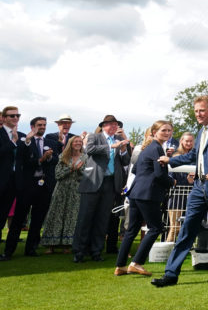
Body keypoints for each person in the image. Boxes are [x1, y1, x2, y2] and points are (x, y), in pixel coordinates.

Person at [152, 95, 208, 287]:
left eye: (202, 110)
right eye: (196, 111)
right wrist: (171, 161)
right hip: (199, 188)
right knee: (187, 229)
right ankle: (171, 274)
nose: (198, 114)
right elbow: (194, 155)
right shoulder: (201, 132)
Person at [115, 120, 174, 277]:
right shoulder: (157, 148)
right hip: (148, 194)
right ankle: (136, 263)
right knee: (156, 228)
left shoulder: (147, 148)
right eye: (163, 130)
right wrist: (171, 181)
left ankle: (120, 266)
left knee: (132, 230)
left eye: (169, 130)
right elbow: (159, 174)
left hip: (136, 193)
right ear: (154, 132)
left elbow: (136, 170)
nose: (167, 133)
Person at [72, 115, 131, 263]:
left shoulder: (119, 140)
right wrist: (111, 147)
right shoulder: (95, 137)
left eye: (115, 124)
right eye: (110, 124)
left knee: (102, 219)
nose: (113, 127)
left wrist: (123, 150)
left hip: (110, 183)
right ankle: (79, 251)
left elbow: (125, 161)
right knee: (85, 218)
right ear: (104, 126)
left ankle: (96, 251)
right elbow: (89, 150)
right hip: (93, 181)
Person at [1, 116, 59, 259]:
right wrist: (40, 159)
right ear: (32, 127)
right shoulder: (24, 141)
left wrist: (49, 158)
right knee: (18, 220)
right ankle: (8, 251)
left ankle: (31, 249)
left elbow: (56, 160)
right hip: (27, 186)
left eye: (44, 125)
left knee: (38, 220)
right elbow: (22, 160)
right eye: (39, 125)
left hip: (44, 186)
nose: (42, 127)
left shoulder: (51, 142)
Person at [40, 135, 85, 254]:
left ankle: (67, 244)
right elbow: (58, 174)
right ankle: (50, 244)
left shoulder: (85, 157)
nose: (78, 143)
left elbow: (86, 175)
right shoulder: (63, 156)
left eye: (80, 141)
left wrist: (79, 170)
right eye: (76, 141)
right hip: (61, 189)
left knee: (72, 216)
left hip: (76, 190)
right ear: (71, 143)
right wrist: (71, 169)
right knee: (56, 215)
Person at [0, 106, 26, 245]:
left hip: (15, 182)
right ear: (4, 118)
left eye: (17, 115)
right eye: (12, 116)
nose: (15, 118)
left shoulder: (22, 135)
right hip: (1, 180)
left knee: (5, 215)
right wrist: (12, 142)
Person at [166, 132, 195, 243]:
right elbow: (171, 177)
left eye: (191, 141)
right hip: (177, 196)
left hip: (191, 195)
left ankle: (183, 248)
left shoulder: (195, 157)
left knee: (188, 227)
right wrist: (186, 181)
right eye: (186, 141)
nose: (189, 143)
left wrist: (193, 179)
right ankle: (168, 249)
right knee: (175, 228)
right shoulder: (176, 156)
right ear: (181, 141)